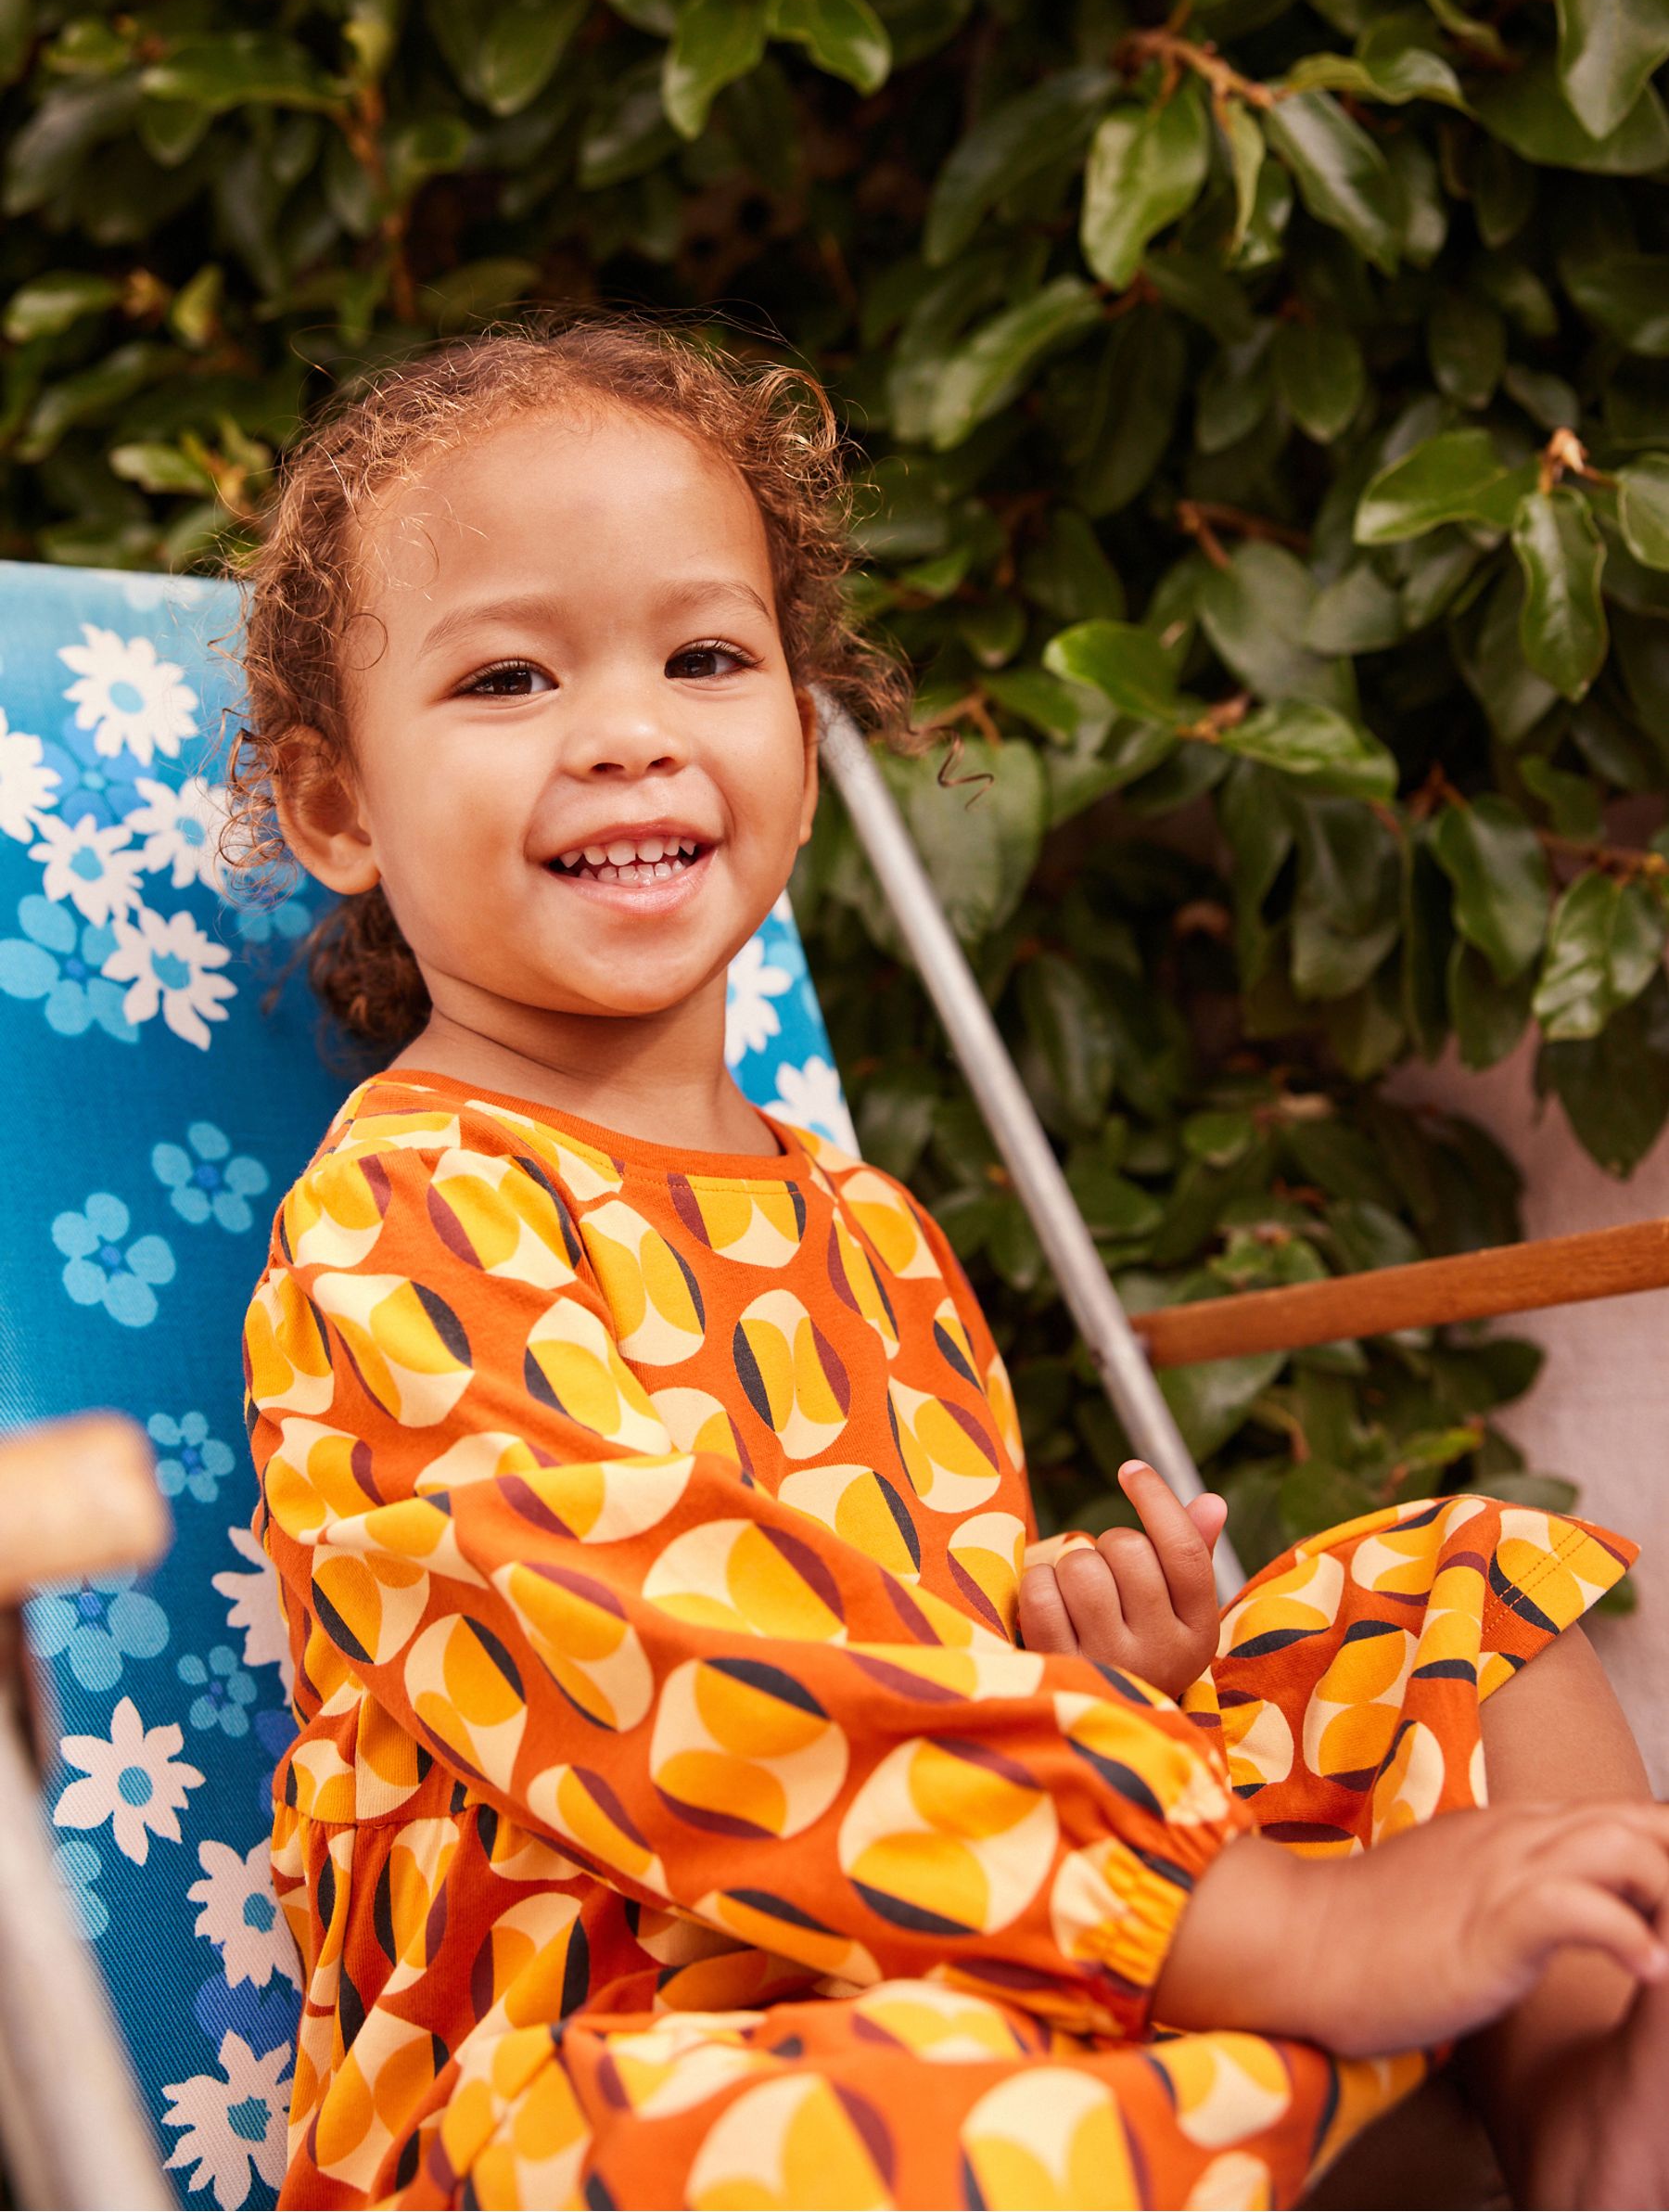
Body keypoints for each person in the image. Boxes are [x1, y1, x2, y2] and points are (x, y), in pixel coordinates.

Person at [233, 322, 1666, 2212]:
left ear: (803, 753)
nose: (631, 728)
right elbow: (694, 1677)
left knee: (1452, 1601)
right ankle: (1286, 2038)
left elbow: (931, 1655)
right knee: (791, 2138)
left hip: (982, 1937)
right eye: (509, 674)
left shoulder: (869, 1229)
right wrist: (1251, 1920)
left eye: (709, 657)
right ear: (336, 805)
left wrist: (1105, 1673)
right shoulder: (398, 1228)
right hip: (614, 2054)